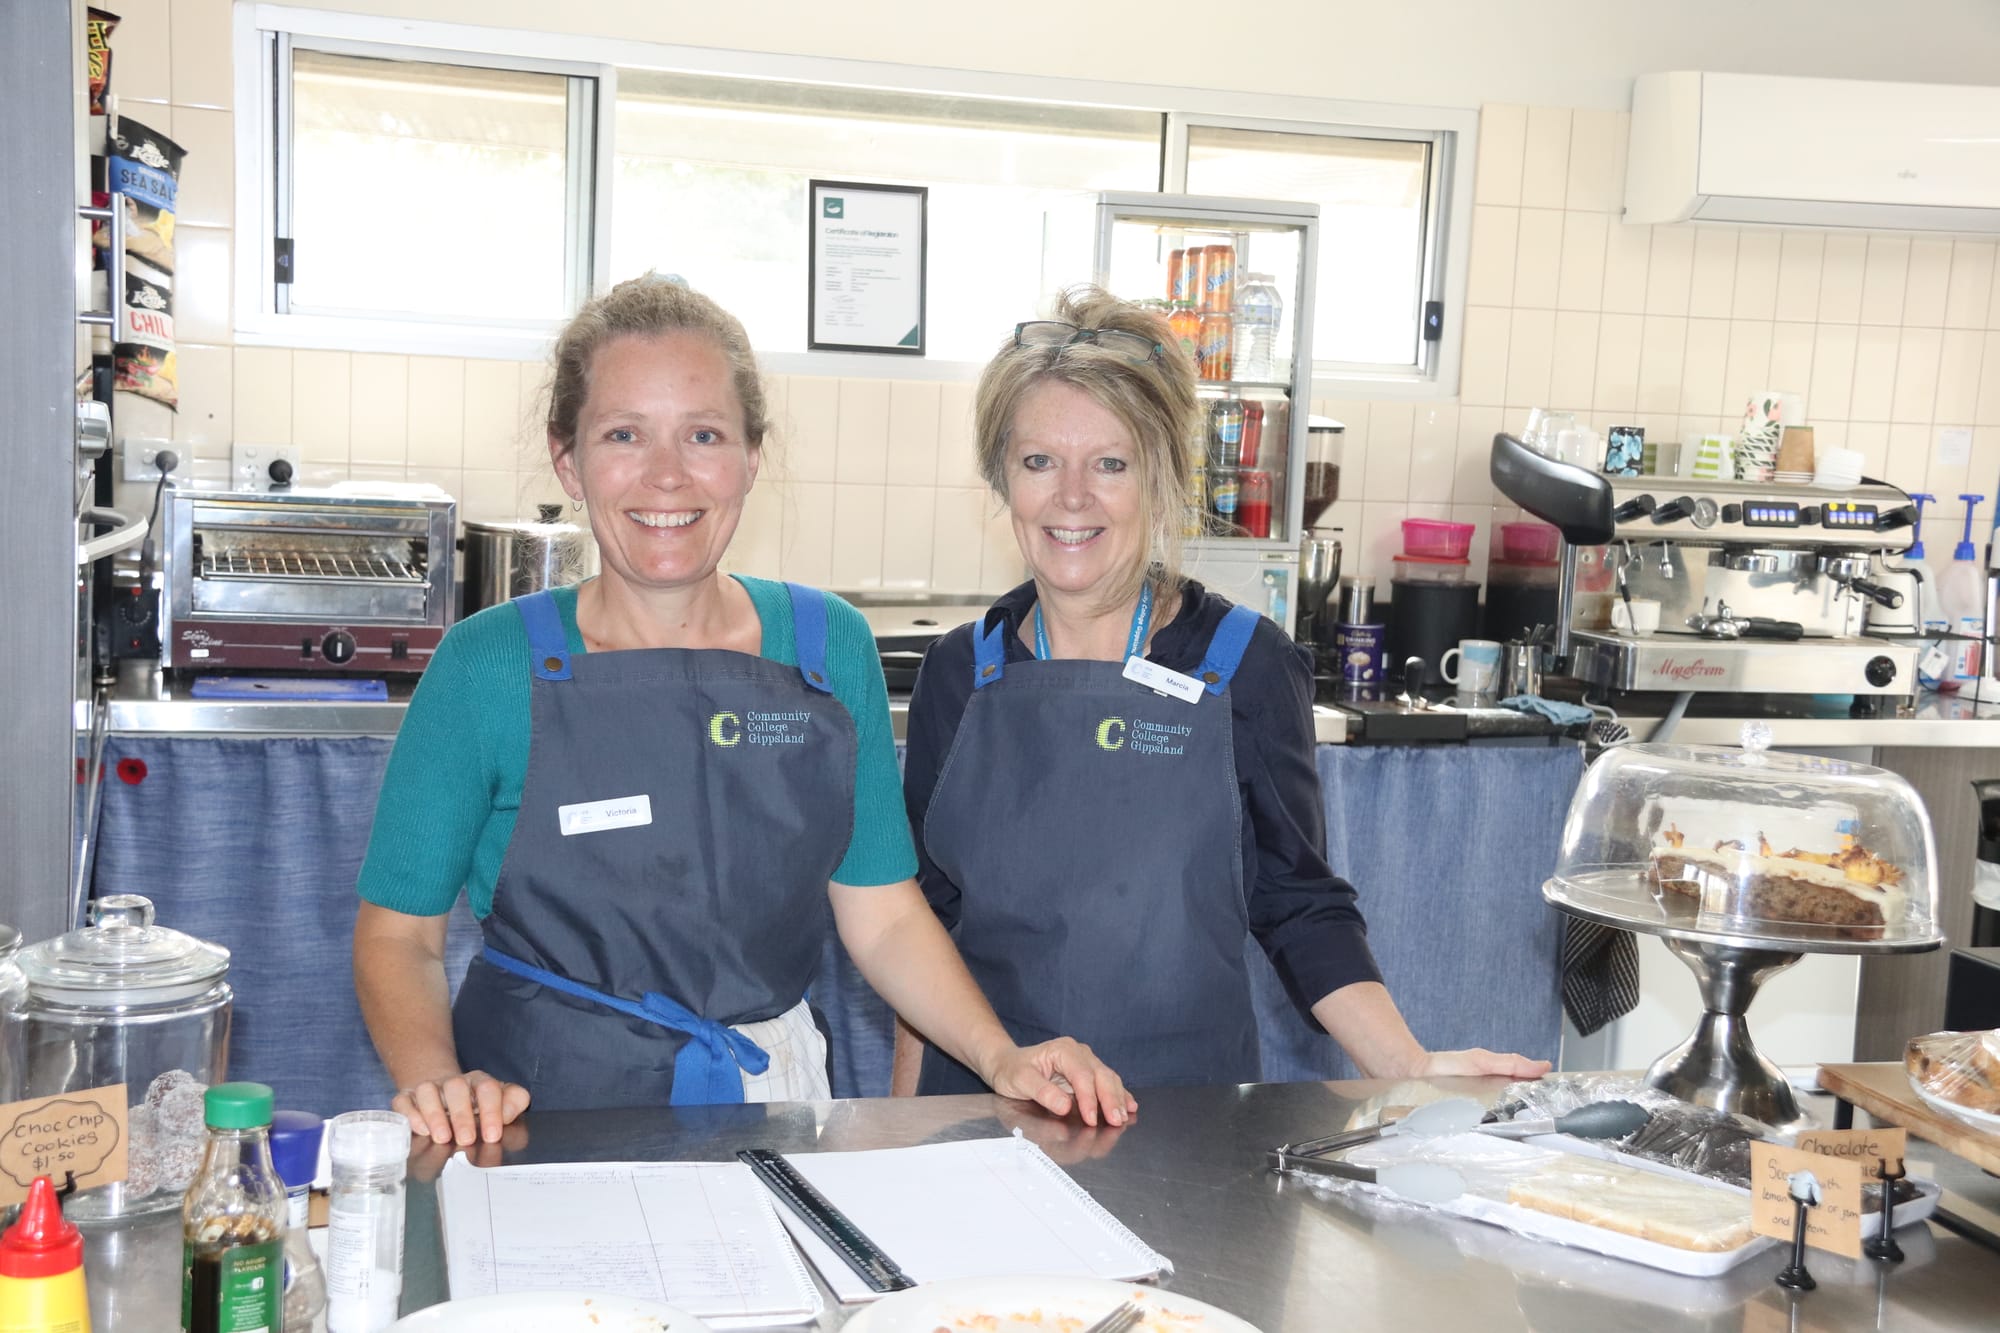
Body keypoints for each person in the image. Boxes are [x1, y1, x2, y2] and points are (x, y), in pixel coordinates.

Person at [354, 276, 1134, 1145]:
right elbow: (399, 938)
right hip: (530, 1113)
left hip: (767, 1104)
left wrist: (999, 1056)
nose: (666, 475)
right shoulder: (487, 665)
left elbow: (881, 912)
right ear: (568, 461)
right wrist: (439, 1085)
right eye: (623, 434)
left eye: (704, 435)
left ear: (751, 457)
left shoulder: (827, 645)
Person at [893, 288, 1552, 1095]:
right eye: (1039, 461)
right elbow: (915, 926)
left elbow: (1297, 901)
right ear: (1003, 475)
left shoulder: (1242, 662)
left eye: (1111, 463)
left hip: (1180, 1117)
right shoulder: (960, 672)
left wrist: (1408, 1065)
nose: (1071, 497)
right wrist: (908, 1136)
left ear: (1163, 475)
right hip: (986, 1113)